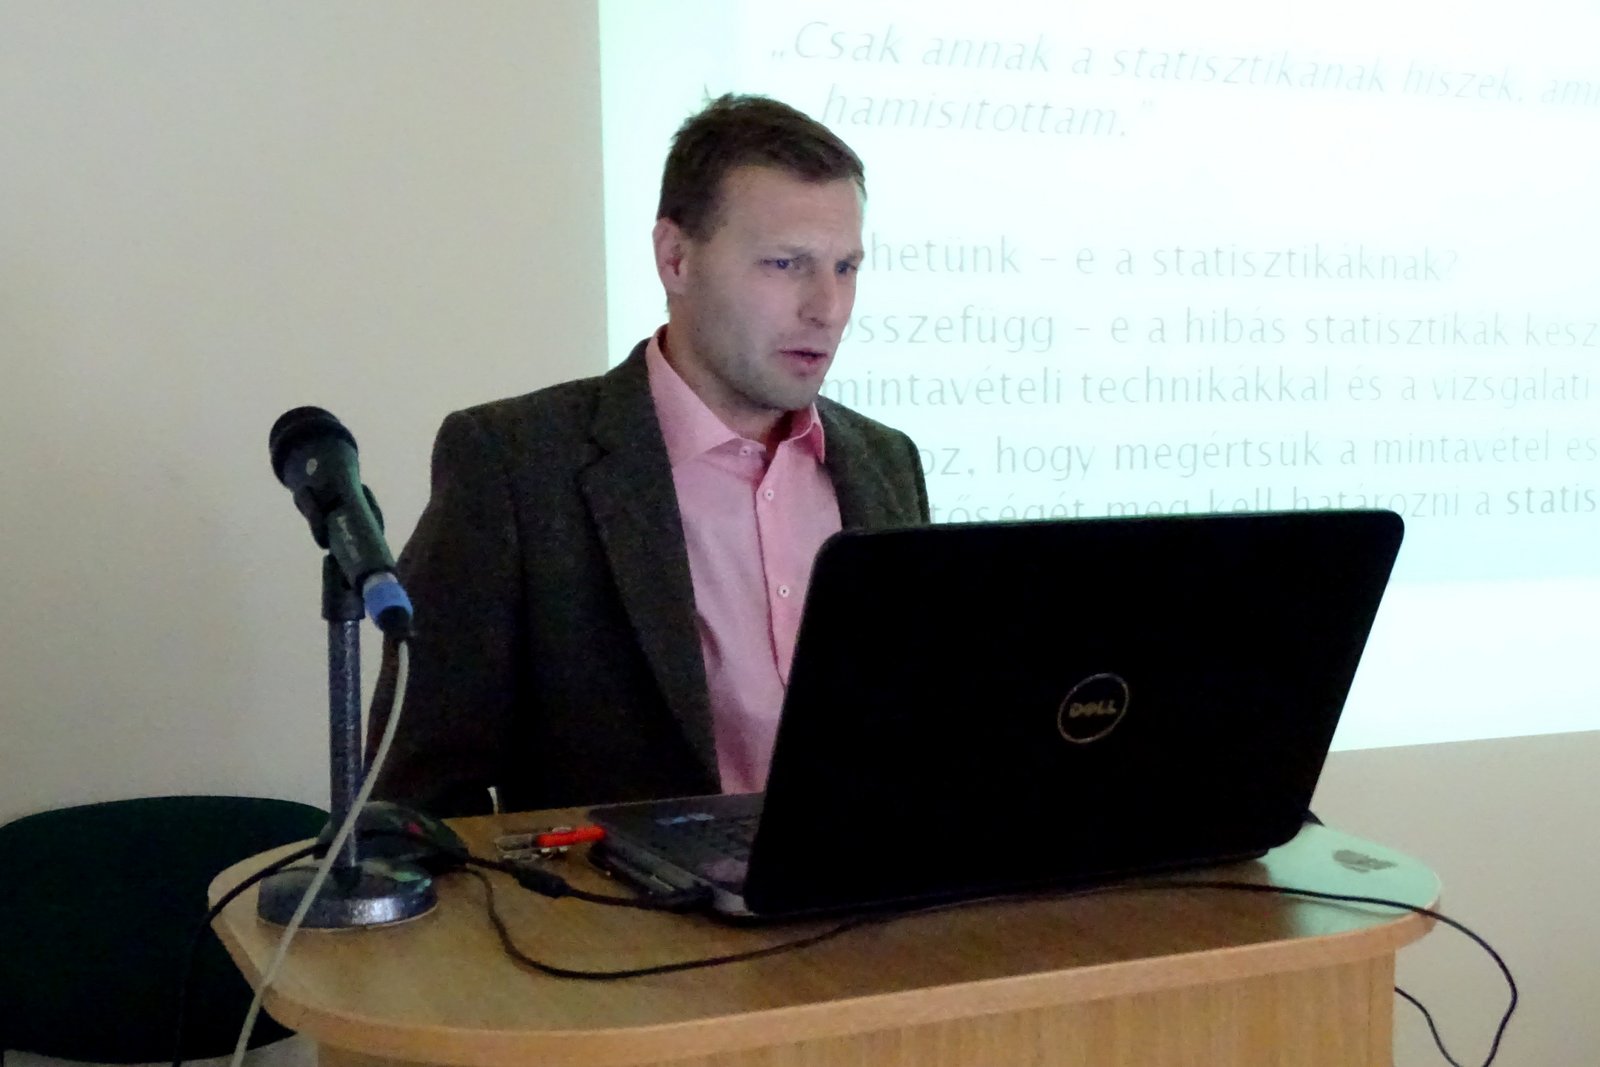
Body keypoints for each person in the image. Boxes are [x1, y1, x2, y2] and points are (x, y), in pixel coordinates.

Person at [370, 94, 929, 817]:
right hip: (615, 892)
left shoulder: (885, 461)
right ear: (675, 258)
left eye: (846, 267)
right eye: (786, 263)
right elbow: (414, 801)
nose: (827, 308)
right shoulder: (516, 465)